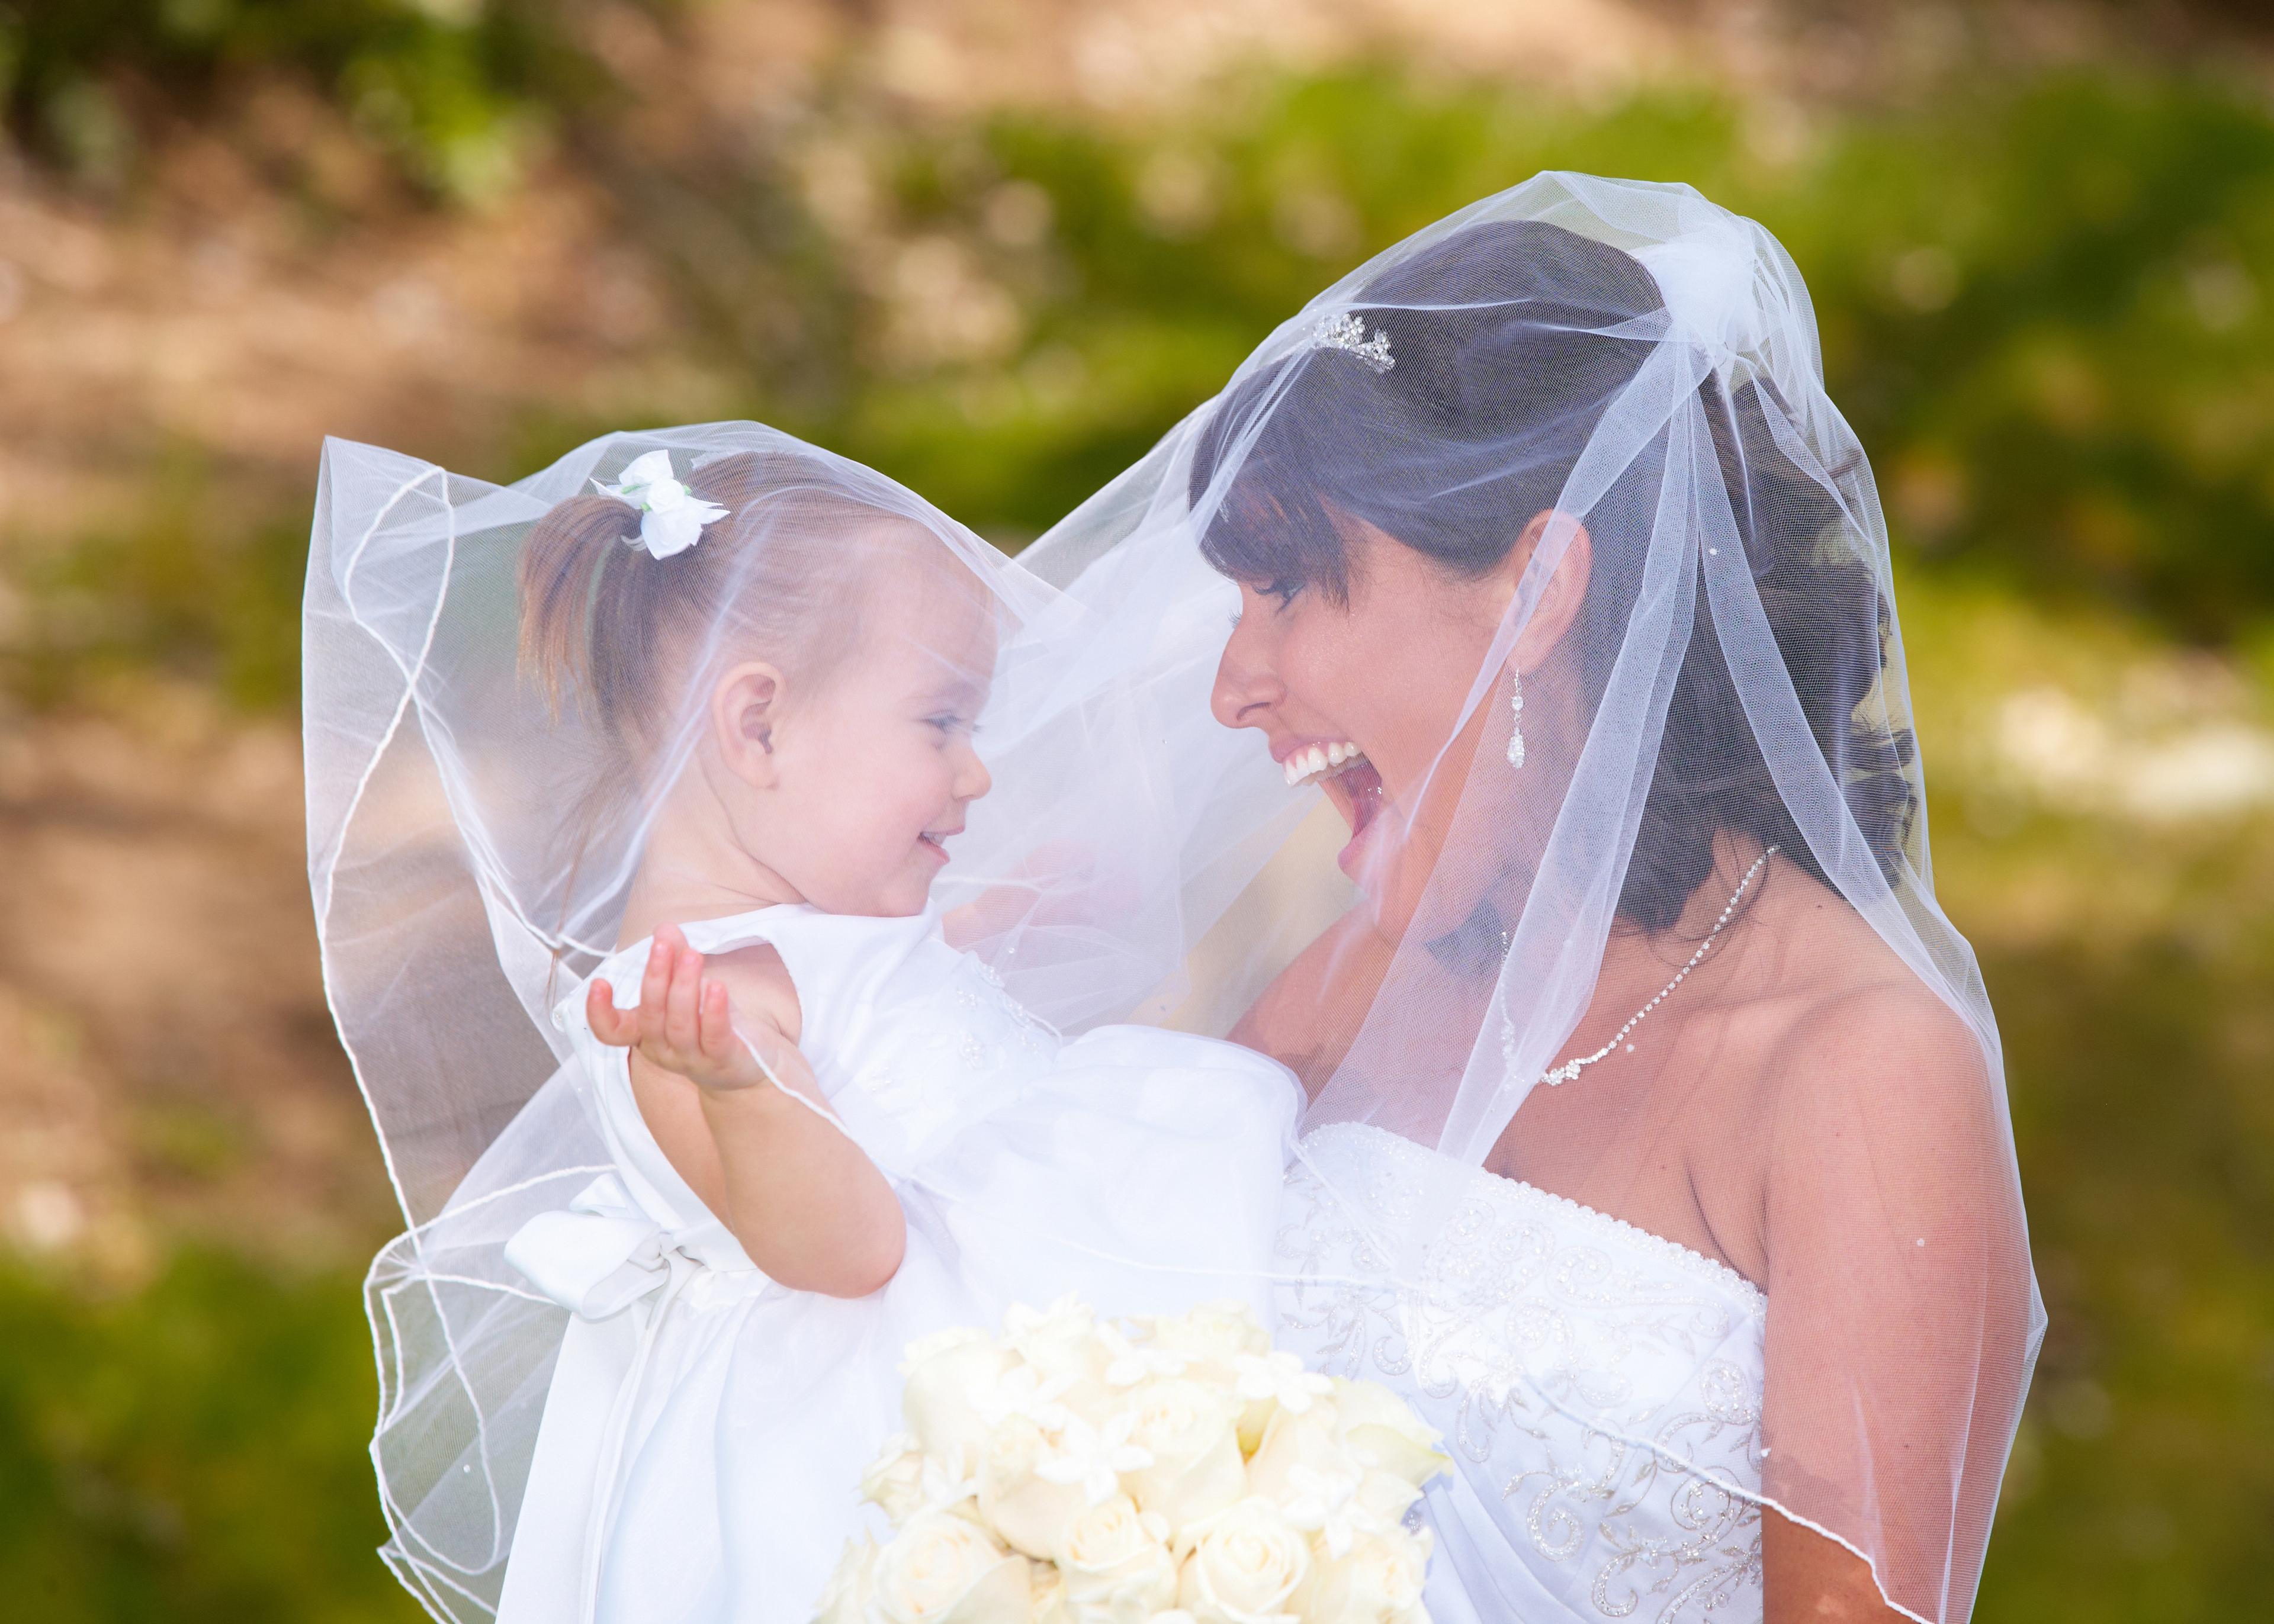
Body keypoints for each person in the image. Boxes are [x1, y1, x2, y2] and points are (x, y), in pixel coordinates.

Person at [1022, 173, 2043, 1624]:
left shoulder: (1859, 1071)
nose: (1231, 687)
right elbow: (1065, 1330)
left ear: (1533, 592)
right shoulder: (1351, 983)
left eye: (1290, 590)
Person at [306, 427, 1298, 1624]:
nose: (976, 773)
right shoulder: (696, 1013)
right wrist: (736, 1087)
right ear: (760, 727)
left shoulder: (791, 946)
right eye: (943, 724)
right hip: (868, 1436)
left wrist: (981, 932)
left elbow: (887, 1035)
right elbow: (847, 1248)